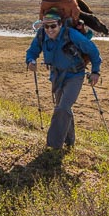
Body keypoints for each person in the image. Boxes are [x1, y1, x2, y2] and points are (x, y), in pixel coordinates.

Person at [25, 8, 102, 150]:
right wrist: (30, 61)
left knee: (63, 107)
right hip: (56, 76)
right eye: (46, 26)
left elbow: (92, 50)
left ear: (60, 24)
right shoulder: (41, 35)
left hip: (75, 76)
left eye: (53, 26)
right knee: (63, 108)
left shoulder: (72, 35)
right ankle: (69, 142)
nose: (49, 30)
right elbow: (32, 51)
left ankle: (53, 146)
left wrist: (95, 71)